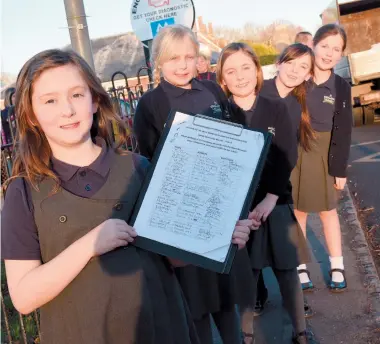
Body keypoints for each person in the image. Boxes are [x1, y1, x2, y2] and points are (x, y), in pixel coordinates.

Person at [0, 49, 252, 344]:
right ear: (31, 114)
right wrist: (90, 245)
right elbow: (24, 297)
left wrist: (216, 234)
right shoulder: (24, 190)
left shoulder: (138, 167)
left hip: (165, 328)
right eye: (50, 100)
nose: (66, 110)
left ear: (94, 101)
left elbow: (172, 257)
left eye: (77, 95)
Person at [133, 25, 260, 344]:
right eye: (174, 58)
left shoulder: (212, 91)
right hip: (182, 216)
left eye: (189, 57)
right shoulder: (150, 103)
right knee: (197, 303)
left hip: (221, 208)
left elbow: (236, 140)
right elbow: (147, 162)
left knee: (224, 296)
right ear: (159, 61)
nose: (183, 64)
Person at [216, 42, 314, 344]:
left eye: (246, 68)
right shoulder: (219, 114)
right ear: (223, 79)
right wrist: (240, 209)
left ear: (257, 71)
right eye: (231, 71)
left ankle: (300, 332)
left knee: (287, 271)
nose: (240, 76)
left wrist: (272, 197)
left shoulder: (277, 108)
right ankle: (246, 336)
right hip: (240, 212)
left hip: (276, 202)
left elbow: (287, 155)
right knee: (247, 277)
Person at [291, 24, 353, 292]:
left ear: (341, 55)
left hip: (326, 153)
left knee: (329, 212)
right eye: (325, 46)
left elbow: (344, 128)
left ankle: (337, 264)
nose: (329, 53)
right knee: (298, 212)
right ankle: (300, 266)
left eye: (336, 49)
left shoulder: (341, 86)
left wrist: (339, 168)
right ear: (313, 45)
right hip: (296, 151)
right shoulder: (297, 78)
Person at [257, 44, 316, 303]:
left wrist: (275, 190)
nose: (295, 70)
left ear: (308, 75)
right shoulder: (259, 92)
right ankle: (258, 293)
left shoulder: (295, 106)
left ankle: (294, 302)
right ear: (279, 63)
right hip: (249, 183)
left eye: (303, 67)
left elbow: (288, 154)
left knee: (283, 246)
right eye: (291, 63)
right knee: (251, 243)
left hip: (278, 185)